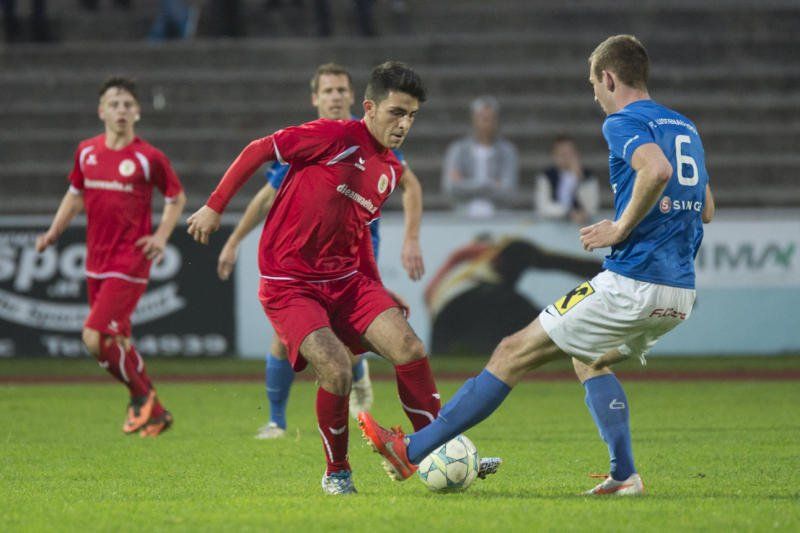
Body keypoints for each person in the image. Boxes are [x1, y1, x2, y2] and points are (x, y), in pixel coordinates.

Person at [359, 34, 716, 496]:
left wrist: (620, 227)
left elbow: (658, 170)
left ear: (609, 78)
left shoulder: (623, 121)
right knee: (588, 358)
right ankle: (625, 476)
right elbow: (706, 207)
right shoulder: (684, 127)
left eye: (594, 83)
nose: (595, 94)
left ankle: (410, 450)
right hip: (679, 292)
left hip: (633, 282)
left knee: (511, 352)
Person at [186, 62, 444, 495]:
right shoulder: (334, 136)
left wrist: (376, 288)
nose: (404, 124)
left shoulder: (389, 170)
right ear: (369, 108)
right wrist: (215, 206)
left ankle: (437, 449)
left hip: (346, 280)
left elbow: (359, 234)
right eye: (397, 112)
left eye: (412, 116)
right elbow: (257, 150)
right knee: (337, 369)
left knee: (410, 348)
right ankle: (337, 472)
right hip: (289, 284)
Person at [36, 77, 186, 437]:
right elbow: (75, 194)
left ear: (138, 112)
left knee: (94, 337)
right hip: (96, 260)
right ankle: (157, 413)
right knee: (117, 342)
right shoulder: (86, 152)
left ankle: (140, 397)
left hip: (130, 259)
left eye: (127, 104)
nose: (121, 110)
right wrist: (54, 231)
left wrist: (161, 236)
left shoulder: (148, 158)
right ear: (101, 111)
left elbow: (176, 197)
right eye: (114, 104)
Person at [441, 96, 519, 218]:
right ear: (474, 119)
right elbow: (450, 188)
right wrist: (489, 185)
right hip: (464, 215)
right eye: (482, 118)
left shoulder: (508, 151)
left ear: (496, 121)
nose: (486, 123)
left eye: (490, 118)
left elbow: (509, 192)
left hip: (499, 215)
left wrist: (465, 184)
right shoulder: (458, 150)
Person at [534, 135, 600, 225]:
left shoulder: (588, 177)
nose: (566, 157)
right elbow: (542, 207)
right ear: (554, 156)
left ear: (577, 154)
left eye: (569, 153)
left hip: (582, 225)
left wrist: (580, 179)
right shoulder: (546, 176)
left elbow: (591, 208)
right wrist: (568, 212)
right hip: (552, 225)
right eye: (561, 154)